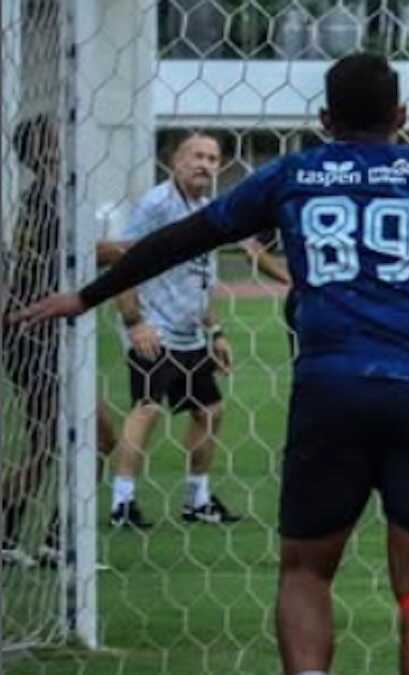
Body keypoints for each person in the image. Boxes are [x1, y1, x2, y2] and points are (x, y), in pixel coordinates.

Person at [10, 53, 409, 675]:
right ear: (402, 116)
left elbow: (181, 238)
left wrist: (86, 296)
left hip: (330, 389)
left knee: (307, 570)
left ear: (323, 118)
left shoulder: (293, 174)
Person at [108, 133, 242, 528]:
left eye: (213, 158)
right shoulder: (157, 204)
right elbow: (123, 260)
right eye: (196, 155)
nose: (205, 164)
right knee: (147, 407)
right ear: (174, 161)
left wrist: (215, 330)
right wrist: (135, 322)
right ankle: (122, 503)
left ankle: (197, 501)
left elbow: (202, 278)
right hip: (154, 325)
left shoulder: (205, 209)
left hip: (188, 330)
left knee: (210, 411)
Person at [1, 114, 117, 568]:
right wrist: (143, 248)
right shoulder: (49, 198)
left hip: (44, 335)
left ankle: (54, 538)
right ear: (43, 150)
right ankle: (25, 535)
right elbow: (85, 251)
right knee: (57, 444)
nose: (67, 143)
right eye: (57, 138)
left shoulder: (49, 197)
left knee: (87, 439)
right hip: (40, 335)